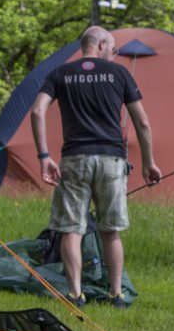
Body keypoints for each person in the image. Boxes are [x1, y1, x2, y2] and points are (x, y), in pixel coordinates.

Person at [30, 25, 162, 308]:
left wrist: (44, 156)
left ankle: (76, 295)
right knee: (110, 230)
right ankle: (116, 294)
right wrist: (149, 162)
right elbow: (143, 122)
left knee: (71, 230)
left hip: (74, 159)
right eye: (113, 49)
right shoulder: (120, 74)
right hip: (111, 160)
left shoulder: (60, 73)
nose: (113, 56)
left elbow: (38, 110)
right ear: (101, 44)